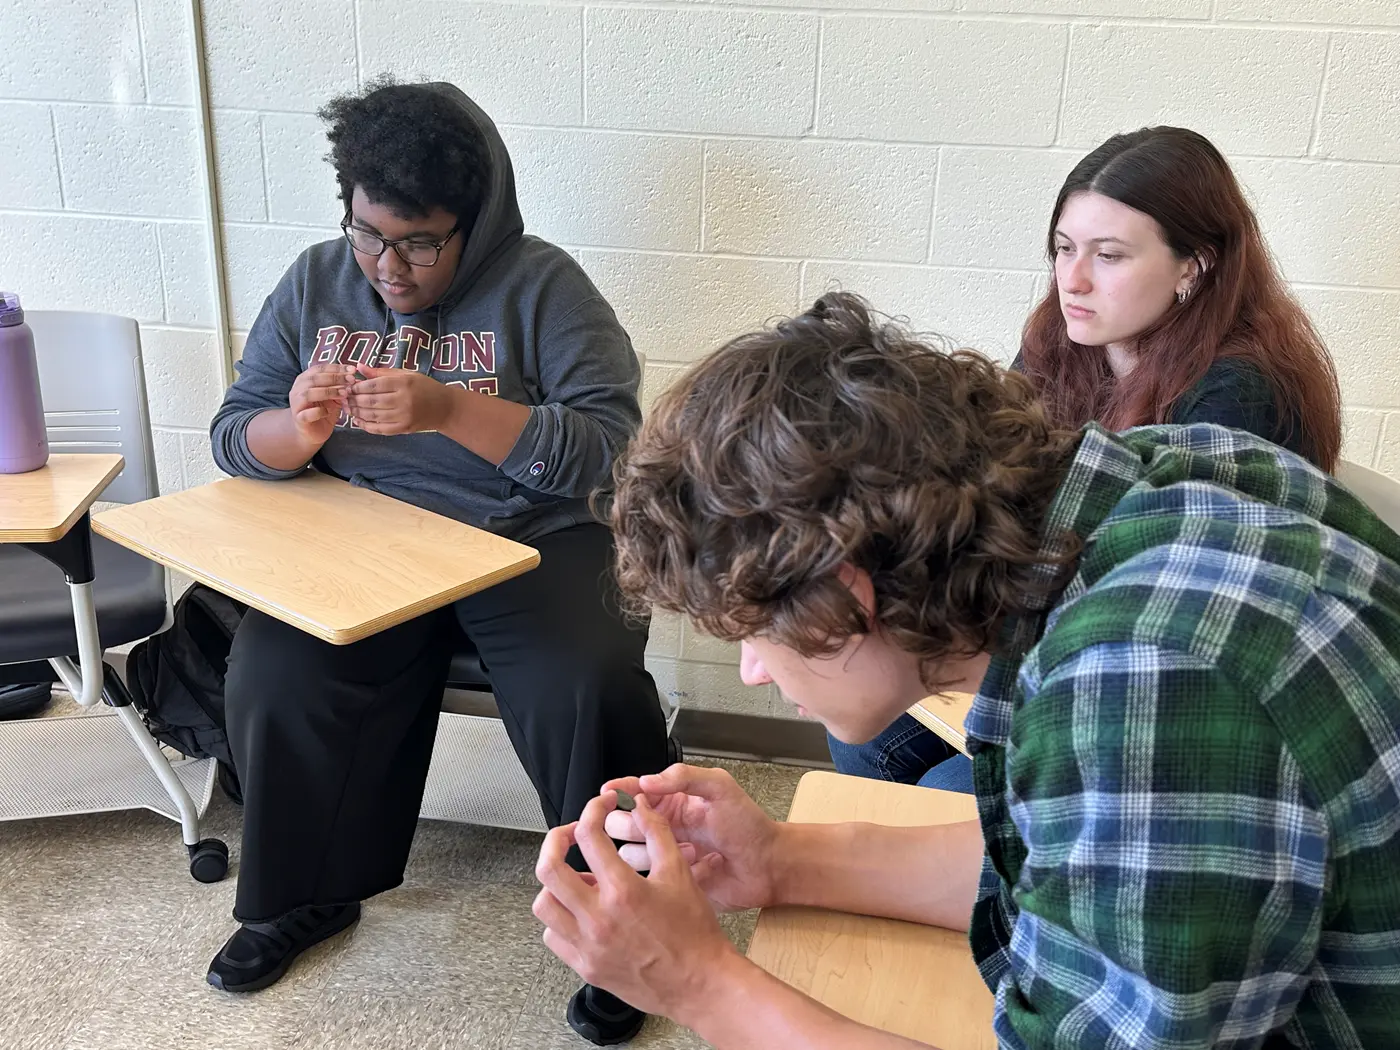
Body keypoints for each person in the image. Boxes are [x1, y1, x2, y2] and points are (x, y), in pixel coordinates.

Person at [533, 293, 1400, 1048]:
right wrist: (783, 859)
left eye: (753, 633)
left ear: (847, 596)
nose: (755, 670)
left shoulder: (1142, 683)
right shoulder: (1148, 481)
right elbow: (1070, 870)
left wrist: (697, 984)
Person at [205, 77, 665, 1045]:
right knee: (273, 671)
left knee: (583, 682)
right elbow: (234, 433)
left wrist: (450, 410)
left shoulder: (543, 285)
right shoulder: (315, 281)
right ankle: (309, 893)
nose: (387, 265)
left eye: (419, 241)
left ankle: (634, 925)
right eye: (369, 233)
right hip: (370, 538)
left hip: (533, 540)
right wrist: (297, 426)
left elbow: (613, 454)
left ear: (474, 220)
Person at [830, 126, 1344, 795]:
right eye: (1064, 248)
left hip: (1172, 675)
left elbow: (1161, 597)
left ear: (1196, 266)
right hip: (1062, 631)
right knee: (864, 737)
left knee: (953, 790)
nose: (1071, 279)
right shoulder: (1059, 340)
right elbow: (997, 486)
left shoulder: (1238, 394)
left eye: (1109, 256)